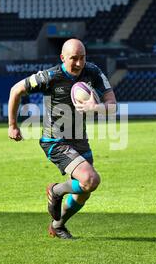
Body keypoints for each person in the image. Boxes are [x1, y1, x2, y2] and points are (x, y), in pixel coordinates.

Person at [8, 39, 117, 239]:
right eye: (73, 59)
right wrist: (12, 125)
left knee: (84, 191)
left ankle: (57, 226)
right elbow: (16, 90)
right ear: (62, 58)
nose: (78, 63)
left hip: (79, 139)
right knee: (91, 179)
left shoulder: (93, 72)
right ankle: (56, 190)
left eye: (82, 58)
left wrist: (97, 108)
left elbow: (112, 105)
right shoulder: (50, 77)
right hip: (55, 141)